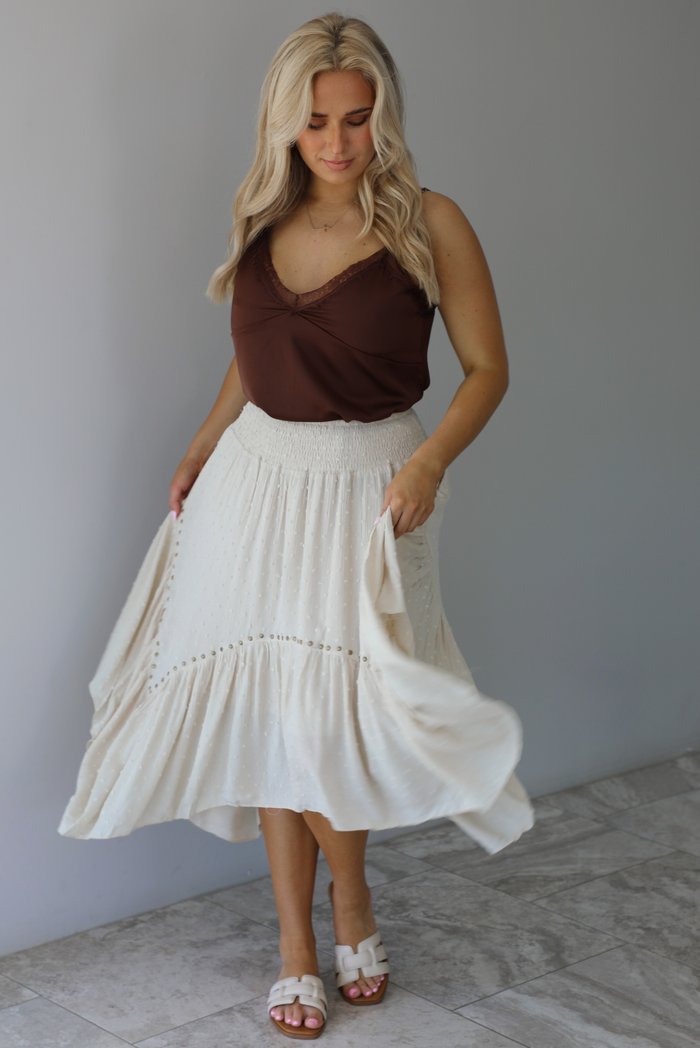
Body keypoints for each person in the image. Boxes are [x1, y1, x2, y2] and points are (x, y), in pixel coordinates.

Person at [59, 12, 533, 1040]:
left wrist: (428, 462)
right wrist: (202, 435)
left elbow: (488, 371)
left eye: (357, 120)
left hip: (371, 481)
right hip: (256, 478)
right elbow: (261, 350)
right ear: (285, 122)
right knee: (275, 712)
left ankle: (352, 901)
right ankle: (296, 946)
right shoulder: (262, 221)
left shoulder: (428, 220)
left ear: (384, 120)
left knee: (335, 718)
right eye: (316, 121)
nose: (337, 142)